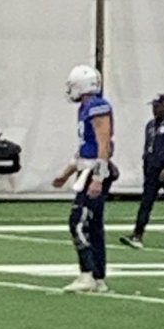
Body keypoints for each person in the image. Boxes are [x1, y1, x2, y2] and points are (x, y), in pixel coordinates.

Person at [52, 63, 116, 293]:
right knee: (94, 224)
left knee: (78, 221)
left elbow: (103, 143)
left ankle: (87, 273)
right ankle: (98, 277)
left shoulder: (98, 107)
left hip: (94, 172)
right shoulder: (87, 107)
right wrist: (66, 173)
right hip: (87, 169)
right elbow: (85, 147)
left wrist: (99, 177)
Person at [120, 94, 164, 250]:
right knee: (146, 203)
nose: (154, 109)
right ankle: (137, 234)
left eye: (157, 106)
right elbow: (148, 147)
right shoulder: (150, 125)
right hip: (152, 170)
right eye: (153, 106)